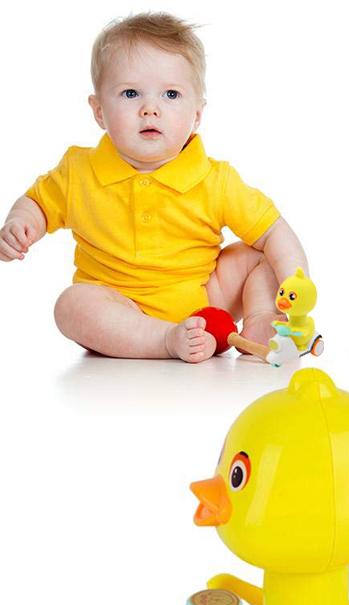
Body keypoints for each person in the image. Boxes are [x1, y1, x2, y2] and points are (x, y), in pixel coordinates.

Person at [0, 12, 307, 362]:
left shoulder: (215, 179)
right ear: (99, 111)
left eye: (171, 94)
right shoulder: (78, 171)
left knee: (259, 257)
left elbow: (274, 230)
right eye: (130, 93)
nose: (150, 109)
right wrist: (20, 224)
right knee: (72, 305)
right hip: (119, 307)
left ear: (197, 114)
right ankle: (163, 340)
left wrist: (297, 286)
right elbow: (38, 203)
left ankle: (261, 323)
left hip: (205, 299)